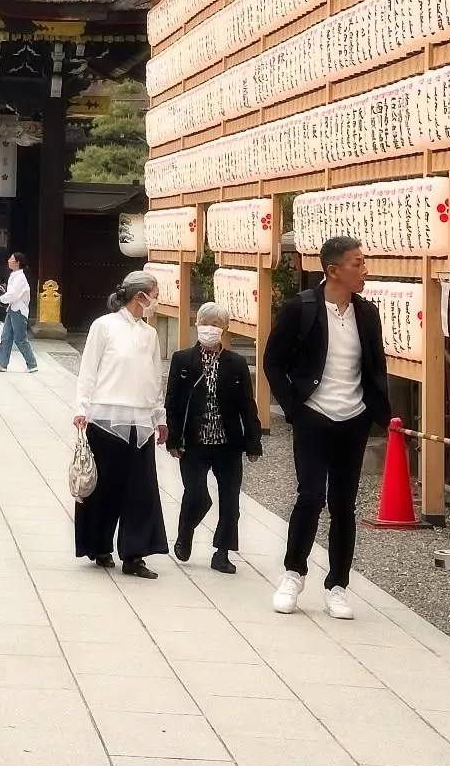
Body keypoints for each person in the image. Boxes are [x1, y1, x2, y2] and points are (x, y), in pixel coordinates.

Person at [264, 235, 391, 619]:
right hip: (314, 416)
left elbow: (375, 367)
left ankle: (337, 585)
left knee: (344, 505)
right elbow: (273, 362)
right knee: (309, 497)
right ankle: (293, 573)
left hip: (353, 419)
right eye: (358, 263)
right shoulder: (300, 308)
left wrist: (374, 413)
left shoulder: (367, 314)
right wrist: (294, 408)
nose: (364, 269)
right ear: (333, 271)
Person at [73, 269, 169, 576]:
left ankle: (135, 554)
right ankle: (99, 546)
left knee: (141, 490)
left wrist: (160, 416)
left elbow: (155, 378)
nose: (156, 300)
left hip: (139, 421)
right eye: (153, 295)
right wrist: (81, 407)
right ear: (139, 296)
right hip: (105, 417)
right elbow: (89, 369)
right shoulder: (104, 326)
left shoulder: (149, 333)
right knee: (104, 487)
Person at [165, 302, 263, 575]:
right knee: (196, 493)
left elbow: (247, 404)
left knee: (230, 499)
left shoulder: (236, 363)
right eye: (206, 323)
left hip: (227, 442)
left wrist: (253, 442)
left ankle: (222, 552)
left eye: (216, 324)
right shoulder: (183, 360)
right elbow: (171, 401)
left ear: (225, 329)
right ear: (198, 325)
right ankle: (185, 531)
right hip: (193, 442)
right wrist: (174, 438)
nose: (211, 329)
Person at [0, 252, 38, 373]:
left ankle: (32, 363)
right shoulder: (14, 275)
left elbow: (13, 294)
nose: (9, 260)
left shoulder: (20, 277)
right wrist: (2, 291)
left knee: (20, 338)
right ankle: (2, 363)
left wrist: (1, 299)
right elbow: (11, 292)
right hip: (12, 309)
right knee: (6, 336)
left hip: (19, 311)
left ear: (17, 263)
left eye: (11, 259)